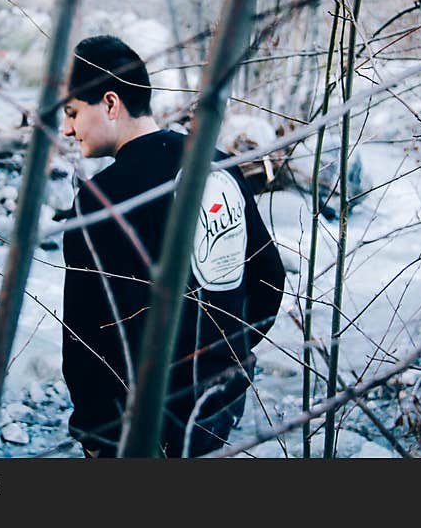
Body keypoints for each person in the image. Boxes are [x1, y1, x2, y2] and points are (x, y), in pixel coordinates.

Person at [60, 35, 285, 458]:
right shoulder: (216, 164)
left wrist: (94, 432)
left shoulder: (99, 201)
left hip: (138, 425)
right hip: (217, 404)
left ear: (111, 104)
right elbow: (269, 278)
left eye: (72, 113)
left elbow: (88, 339)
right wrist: (229, 357)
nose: (67, 128)